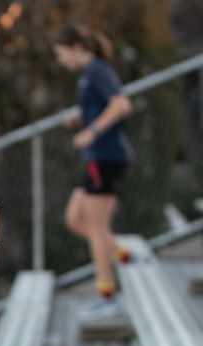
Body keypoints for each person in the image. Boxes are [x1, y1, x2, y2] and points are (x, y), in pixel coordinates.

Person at [53, 25, 133, 322]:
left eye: (62, 54)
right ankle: (125, 257)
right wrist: (82, 119)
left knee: (96, 227)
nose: (61, 61)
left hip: (106, 157)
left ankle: (107, 296)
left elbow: (122, 104)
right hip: (96, 159)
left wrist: (92, 131)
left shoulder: (98, 70)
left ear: (77, 48)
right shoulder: (89, 75)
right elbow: (103, 107)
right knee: (75, 219)